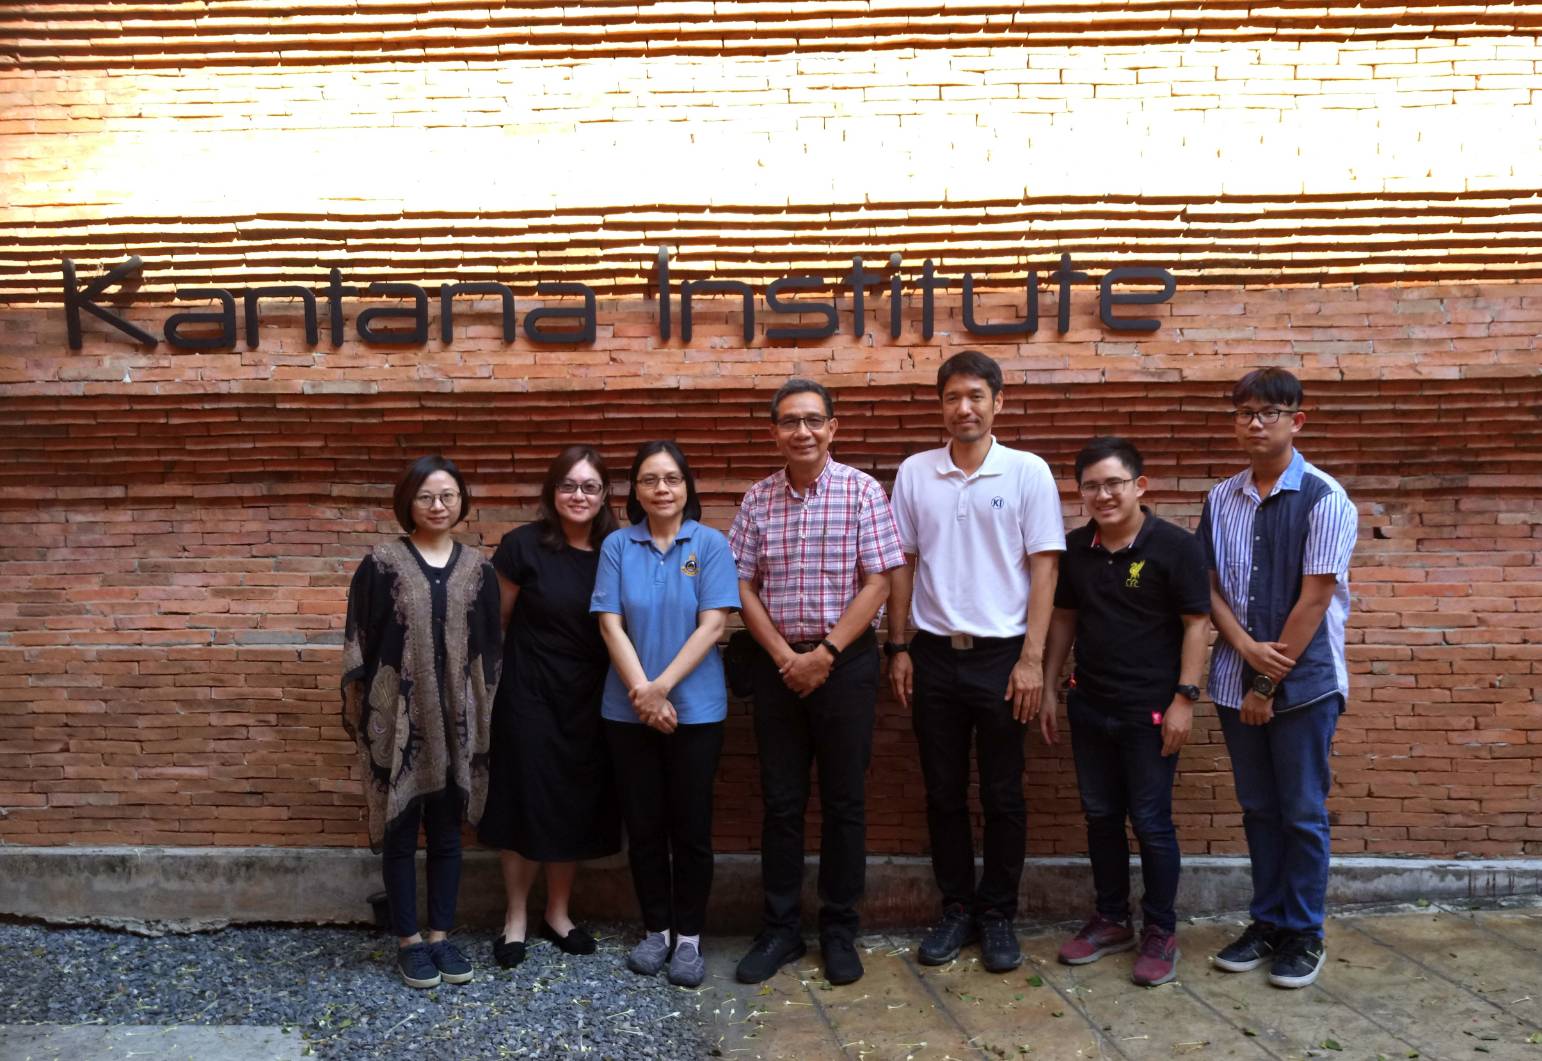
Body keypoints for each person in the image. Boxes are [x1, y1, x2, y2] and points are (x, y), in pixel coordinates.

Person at [886, 350, 1065, 974]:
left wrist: (1032, 660)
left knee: (1003, 792)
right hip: (934, 654)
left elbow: (1046, 568)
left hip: (1004, 658)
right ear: (940, 405)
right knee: (941, 791)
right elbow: (902, 564)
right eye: (952, 397)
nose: (964, 408)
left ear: (998, 402)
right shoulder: (915, 472)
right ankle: (956, 908)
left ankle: (998, 915)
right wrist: (899, 646)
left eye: (976, 396)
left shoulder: (1027, 472)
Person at [729, 378, 906, 988]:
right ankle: (780, 929)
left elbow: (879, 581)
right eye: (789, 421)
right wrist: (786, 656)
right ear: (773, 432)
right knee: (780, 802)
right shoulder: (757, 499)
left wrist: (826, 653)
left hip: (845, 664)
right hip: (776, 664)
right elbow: (741, 583)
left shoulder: (862, 491)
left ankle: (838, 929)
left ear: (833, 427)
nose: (801, 431)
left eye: (812, 420)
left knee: (844, 801)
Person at [1199, 368, 1357, 990]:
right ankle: (1265, 923)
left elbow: (1314, 599)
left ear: (1298, 420)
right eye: (1245, 413)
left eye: (1270, 412)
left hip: (1305, 685)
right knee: (1259, 810)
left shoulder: (1325, 498)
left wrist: (1265, 685)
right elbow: (1208, 586)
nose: (1256, 423)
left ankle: (1304, 933)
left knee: (1302, 811)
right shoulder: (1220, 499)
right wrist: (1241, 649)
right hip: (1233, 678)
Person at [1039, 436, 1210, 987]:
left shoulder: (1176, 547)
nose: (1103, 495)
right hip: (1090, 705)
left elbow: (1196, 625)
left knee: (1152, 822)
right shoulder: (1074, 548)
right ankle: (1112, 918)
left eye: (1114, 483)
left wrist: (1184, 699)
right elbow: (1064, 619)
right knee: (1100, 817)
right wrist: (1049, 686)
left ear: (1140, 486)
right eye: (1091, 486)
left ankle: (1161, 929)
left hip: (1151, 712)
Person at [341, 454, 501, 989]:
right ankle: (408, 940)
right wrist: (371, 710)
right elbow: (360, 642)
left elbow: (490, 649)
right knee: (401, 831)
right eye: (426, 496)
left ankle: (440, 935)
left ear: (461, 502)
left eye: (447, 496)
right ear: (408, 502)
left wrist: (480, 709)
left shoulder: (478, 569)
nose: (438, 505)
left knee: (448, 833)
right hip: (400, 720)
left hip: (456, 720)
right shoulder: (381, 564)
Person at [591, 441, 740, 989]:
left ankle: (690, 938)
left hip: (696, 711)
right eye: (650, 479)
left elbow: (714, 624)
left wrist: (663, 689)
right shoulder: (617, 545)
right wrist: (643, 694)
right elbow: (609, 623)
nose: (662, 489)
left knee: (691, 828)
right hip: (627, 712)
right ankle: (656, 930)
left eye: (672, 479)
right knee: (645, 826)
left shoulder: (710, 544)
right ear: (635, 489)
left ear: (686, 486)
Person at [478, 445, 622, 969]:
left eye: (589, 487)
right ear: (552, 491)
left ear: (604, 495)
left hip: (591, 696)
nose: (578, 495)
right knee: (524, 801)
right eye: (568, 485)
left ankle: (558, 914)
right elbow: (497, 623)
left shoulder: (616, 549)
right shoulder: (522, 546)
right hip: (529, 694)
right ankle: (515, 916)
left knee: (573, 803)